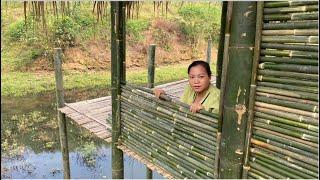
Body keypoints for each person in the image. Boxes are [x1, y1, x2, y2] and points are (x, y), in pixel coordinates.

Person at [154, 60, 219, 113]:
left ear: (210, 77)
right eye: (192, 77)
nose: (196, 81)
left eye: (201, 77)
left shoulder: (218, 96)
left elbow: (217, 123)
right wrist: (164, 97)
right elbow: (179, 107)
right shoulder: (189, 88)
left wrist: (203, 111)